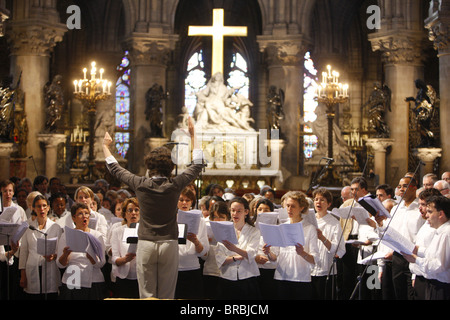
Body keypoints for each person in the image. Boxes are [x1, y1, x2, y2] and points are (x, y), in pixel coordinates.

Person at [102, 116, 206, 299]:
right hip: (169, 243)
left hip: (146, 243)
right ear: (170, 168)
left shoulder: (140, 183)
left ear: (149, 167)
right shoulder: (175, 185)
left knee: (147, 294)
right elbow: (198, 165)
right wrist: (193, 135)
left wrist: (105, 146)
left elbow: (115, 168)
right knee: (166, 295)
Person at [264, 191, 319, 300]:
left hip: (301, 279)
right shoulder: (281, 226)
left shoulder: (309, 229)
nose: (289, 209)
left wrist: (302, 253)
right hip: (281, 277)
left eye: (293, 206)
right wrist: (268, 252)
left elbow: (315, 260)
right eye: (287, 206)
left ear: (301, 208)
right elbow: (275, 258)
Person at [381, 175, 423, 300]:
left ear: (414, 187)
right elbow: (390, 231)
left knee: (412, 295)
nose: (401, 189)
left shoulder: (419, 209)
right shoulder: (395, 209)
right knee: (398, 294)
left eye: (405, 186)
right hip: (398, 256)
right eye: (399, 186)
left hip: (414, 255)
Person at [402, 195, 450, 299]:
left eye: (430, 211)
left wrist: (416, 260)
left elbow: (439, 265)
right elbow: (432, 253)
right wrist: (417, 250)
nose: (426, 215)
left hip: (442, 288)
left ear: (441, 214)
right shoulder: (439, 231)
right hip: (434, 285)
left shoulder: (446, 233)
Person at [57, 202, 106, 300]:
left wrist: (91, 257)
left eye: (86, 213)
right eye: (80, 214)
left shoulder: (97, 235)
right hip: (73, 278)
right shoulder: (66, 235)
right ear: (73, 218)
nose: (84, 216)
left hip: (94, 280)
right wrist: (66, 254)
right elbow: (60, 264)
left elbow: (101, 263)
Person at [215, 197, 261, 300]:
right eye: (233, 210)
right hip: (226, 277)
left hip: (247, 278)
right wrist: (236, 258)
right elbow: (219, 258)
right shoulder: (224, 230)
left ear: (246, 212)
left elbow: (251, 254)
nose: (235, 214)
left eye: (239, 211)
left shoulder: (254, 231)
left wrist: (234, 249)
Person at [19, 195, 62, 300]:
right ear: (34, 208)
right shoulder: (28, 227)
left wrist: (54, 256)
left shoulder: (56, 227)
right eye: (38, 206)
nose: (41, 209)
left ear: (48, 208)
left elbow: (60, 250)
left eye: (44, 206)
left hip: (50, 268)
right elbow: (24, 252)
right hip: (32, 268)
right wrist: (23, 275)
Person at [311, 188, 346, 300]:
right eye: (316, 199)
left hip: (325, 270)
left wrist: (322, 238)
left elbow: (339, 249)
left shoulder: (334, 223)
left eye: (322, 200)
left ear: (329, 204)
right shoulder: (308, 220)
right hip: (308, 269)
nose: (318, 202)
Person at [175, 187, 209, 299]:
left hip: (192, 269)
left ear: (192, 202)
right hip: (173, 268)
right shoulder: (169, 220)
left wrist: (195, 241)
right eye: (181, 200)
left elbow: (204, 252)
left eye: (188, 200)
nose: (184, 203)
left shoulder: (200, 221)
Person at [408, 188, 442, 299]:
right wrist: (414, 276)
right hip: (419, 276)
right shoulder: (426, 224)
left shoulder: (438, 227)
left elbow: (435, 255)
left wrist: (417, 250)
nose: (420, 208)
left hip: (430, 278)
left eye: (423, 204)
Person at [110, 197, 140, 299]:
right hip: (123, 278)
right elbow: (114, 257)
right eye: (130, 210)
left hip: (141, 278)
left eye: (136, 210)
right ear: (124, 214)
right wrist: (124, 259)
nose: (133, 213)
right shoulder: (117, 231)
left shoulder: (145, 231)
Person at [203, 201, 230, 299]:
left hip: (227, 272)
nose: (218, 220)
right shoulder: (206, 226)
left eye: (221, 217)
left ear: (227, 217)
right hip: (210, 269)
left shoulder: (233, 228)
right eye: (215, 217)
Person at [252, 197, 278, 300]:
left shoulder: (276, 229)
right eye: (260, 209)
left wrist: (269, 253)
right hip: (254, 269)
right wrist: (255, 257)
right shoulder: (252, 227)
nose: (262, 212)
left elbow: (276, 255)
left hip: (270, 270)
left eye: (266, 210)